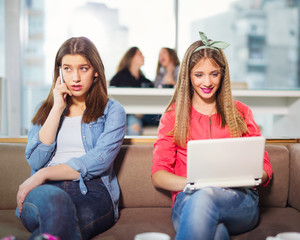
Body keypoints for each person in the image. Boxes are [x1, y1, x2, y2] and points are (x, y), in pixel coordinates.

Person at [151, 32, 273, 240]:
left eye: (214, 74)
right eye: (199, 75)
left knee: (206, 198)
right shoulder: (173, 116)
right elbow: (158, 175)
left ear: (223, 75)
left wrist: (250, 176)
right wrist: (197, 184)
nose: (207, 82)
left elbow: (265, 169)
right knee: (216, 233)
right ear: (188, 76)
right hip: (189, 199)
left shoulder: (241, 112)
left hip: (239, 200)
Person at [16, 37, 126, 240]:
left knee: (61, 223)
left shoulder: (113, 111)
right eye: (67, 68)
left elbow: (99, 160)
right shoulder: (44, 110)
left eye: (83, 68)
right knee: (56, 204)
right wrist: (57, 108)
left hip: (92, 190)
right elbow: (35, 160)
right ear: (59, 71)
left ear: (95, 71)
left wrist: (44, 174)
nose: (75, 77)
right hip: (45, 191)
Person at [110, 47, 154, 135]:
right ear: (131, 58)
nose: (143, 56)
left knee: (162, 117)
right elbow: (112, 98)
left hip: (144, 113)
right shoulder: (119, 77)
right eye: (139, 54)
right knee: (135, 125)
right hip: (127, 113)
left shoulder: (145, 81)